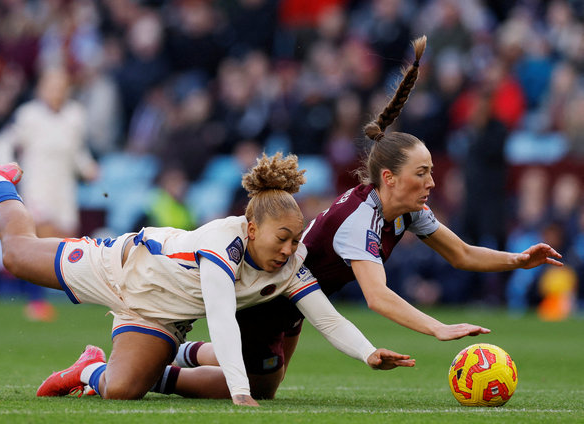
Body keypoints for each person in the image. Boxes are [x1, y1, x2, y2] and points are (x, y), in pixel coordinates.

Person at [151, 35, 563, 400]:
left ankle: (185, 351)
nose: (432, 183)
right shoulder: (360, 218)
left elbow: (460, 254)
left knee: (269, 383)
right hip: (269, 296)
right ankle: (157, 374)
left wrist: (517, 259)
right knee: (249, 388)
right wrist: (438, 327)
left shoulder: (406, 211)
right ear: (389, 178)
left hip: (298, 297)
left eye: (432, 172)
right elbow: (377, 296)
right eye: (422, 173)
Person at [0, 153, 417, 407]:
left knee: (122, 390)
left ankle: (86, 369)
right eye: (282, 239)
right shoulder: (221, 246)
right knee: (15, 256)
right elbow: (221, 320)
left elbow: (328, 320)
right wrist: (239, 393)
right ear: (251, 228)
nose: (289, 250)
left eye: (296, 241)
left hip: (159, 317)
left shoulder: (290, 265)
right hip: (118, 269)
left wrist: (368, 353)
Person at [0, 66, 99, 321]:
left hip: (64, 188)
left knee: (65, 242)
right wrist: (4, 172)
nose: (56, 92)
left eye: (61, 87)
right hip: (37, 184)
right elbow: (3, 143)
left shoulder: (75, 115)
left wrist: (88, 168)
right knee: (39, 236)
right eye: (51, 87)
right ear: (41, 89)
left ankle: (63, 299)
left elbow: (77, 152)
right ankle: (35, 301)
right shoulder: (28, 115)